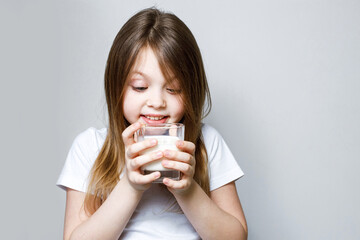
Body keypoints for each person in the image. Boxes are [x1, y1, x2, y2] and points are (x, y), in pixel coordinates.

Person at [57, 7, 248, 240]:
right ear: (116, 86)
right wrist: (130, 184)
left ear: (191, 91)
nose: (157, 102)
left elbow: (235, 237)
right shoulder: (89, 147)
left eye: (173, 89)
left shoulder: (207, 143)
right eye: (140, 87)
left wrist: (187, 189)